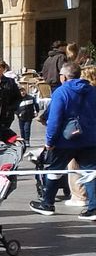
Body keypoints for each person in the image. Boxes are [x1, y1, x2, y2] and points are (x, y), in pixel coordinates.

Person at [31, 59, 96, 218]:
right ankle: (93, 208)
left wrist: (49, 142)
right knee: (90, 172)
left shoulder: (61, 92)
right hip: (89, 140)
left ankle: (47, 204)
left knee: (54, 171)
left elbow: (54, 120)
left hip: (64, 141)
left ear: (64, 77)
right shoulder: (93, 91)